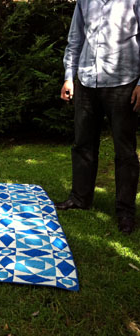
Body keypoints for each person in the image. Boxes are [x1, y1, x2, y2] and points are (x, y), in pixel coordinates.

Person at [57, 0, 140, 235]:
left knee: (125, 152)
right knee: (82, 144)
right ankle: (80, 198)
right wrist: (68, 77)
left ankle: (125, 211)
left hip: (123, 82)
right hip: (86, 80)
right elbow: (75, 39)